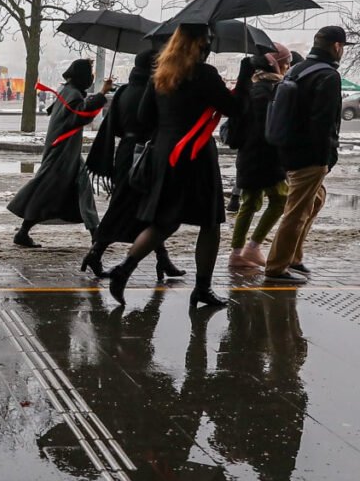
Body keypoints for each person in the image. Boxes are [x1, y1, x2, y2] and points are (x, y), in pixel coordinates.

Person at [107, 24, 252, 308]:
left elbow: (143, 117)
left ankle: (124, 269)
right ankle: (202, 289)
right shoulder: (205, 74)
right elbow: (235, 110)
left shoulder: (160, 74)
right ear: (198, 43)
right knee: (209, 224)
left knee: (164, 221)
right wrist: (245, 79)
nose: (209, 44)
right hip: (196, 154)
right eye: (208, 40)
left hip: (165, 153)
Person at [83, 50, 184, 281]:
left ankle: (163, 260)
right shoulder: (155, 90)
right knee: (137, 208)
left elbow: (115, 126)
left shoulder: (124, 91)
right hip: (146, 155)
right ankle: (96, 253)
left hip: (125, 153)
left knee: (143, 209)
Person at [264, 26, 349, 284]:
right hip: (310, 155)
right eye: (343, 47)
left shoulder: (297, 70)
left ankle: (294, 256)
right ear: (336, 46)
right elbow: (323, 122)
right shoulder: (328, 76)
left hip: (288, 149)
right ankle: (277, 267)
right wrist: (326, 157)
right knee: (297, 210)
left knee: (316, 200)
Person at [8, 59, 112, 248]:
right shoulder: (72, 94)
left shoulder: (69, 91)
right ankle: (24, 231)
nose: (91, 79)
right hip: (62, 153)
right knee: (45, 190)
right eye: (89, 75)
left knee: (81, 188)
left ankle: (96, 234)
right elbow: (81, 114)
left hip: (67, 151)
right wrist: (103, 93)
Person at [229, 43, 291, 269]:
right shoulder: (271, 90)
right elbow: (273, 127)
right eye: (287, 62)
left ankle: (237, 253)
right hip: (266, 157)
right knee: (280, 199)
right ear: (278, 64)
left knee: (250, 202)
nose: (288, 66)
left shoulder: (251, 89)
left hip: (248, 157)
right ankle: (252, 247)